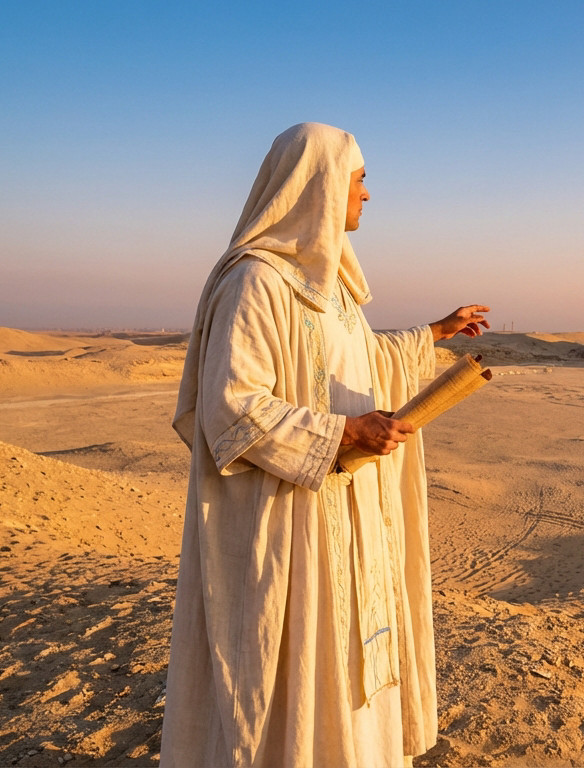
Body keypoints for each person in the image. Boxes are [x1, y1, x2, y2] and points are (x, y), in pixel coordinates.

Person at [160, 122, 489, 767]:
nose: (369, 195)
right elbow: (232, 406)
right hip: (290, 520)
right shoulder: (256, 283)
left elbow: (360, 361)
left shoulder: (331, 287)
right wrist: (343, 433)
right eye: (360, 181)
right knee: (292, 672)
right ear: (322, 185)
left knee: (351, 660)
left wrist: (434, 334)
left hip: (349, 507)